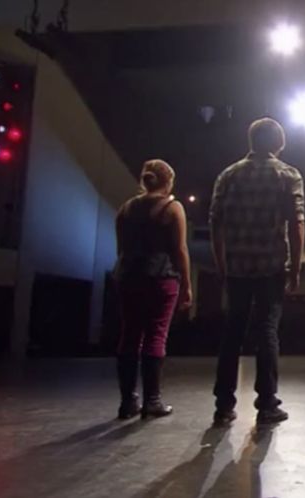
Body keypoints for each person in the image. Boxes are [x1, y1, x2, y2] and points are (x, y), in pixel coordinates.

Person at [209, 117, 305, 426]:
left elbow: (215, 223)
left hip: (237, 266)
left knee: (231, 333)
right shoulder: (287, 174)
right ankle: (266, 404)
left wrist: (221, 264)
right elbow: (297, 224)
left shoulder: (228, 175)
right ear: (279, 142)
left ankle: (224, 405)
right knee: (267, 331)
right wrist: (296, 268)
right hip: (271, 265)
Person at [114, 159, 192, 419]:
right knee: (155, 336)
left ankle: (127, 402)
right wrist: (187, 285)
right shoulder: (171, 208)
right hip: (161, 277)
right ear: (169, 181)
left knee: (129, 336)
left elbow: (121, 248)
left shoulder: (126, 208)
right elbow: (180, 250)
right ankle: (152, 400)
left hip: (128, 276)